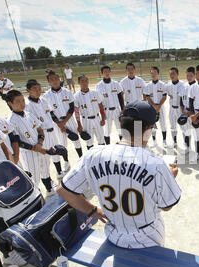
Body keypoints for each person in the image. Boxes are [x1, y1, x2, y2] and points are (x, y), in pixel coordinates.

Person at [57, 101, 181, 249]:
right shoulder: (156, 164)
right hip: (149, 238)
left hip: (113, 235)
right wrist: (169, 177)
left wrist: (93, 211)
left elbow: (63, 190)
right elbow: (166, 206)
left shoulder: (93, 155)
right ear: (148, 128)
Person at [25, 80, 64, 195]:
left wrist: (59, 123)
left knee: (56, 152)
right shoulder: (27, 106)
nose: (38, 91)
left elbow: (51, 114)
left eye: (39, 88)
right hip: (42, 135)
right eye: (34, 89)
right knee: (44, 162)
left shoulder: (44, 100)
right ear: (28, 90)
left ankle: (59, 173)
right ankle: (49, 188)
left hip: (52, 131)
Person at [6, 90, 50, 190]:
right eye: (18, 101)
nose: (22, 104)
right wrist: (36, 148)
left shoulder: (29, 114)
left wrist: (39, 143)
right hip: (28, 153)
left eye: (23, 100)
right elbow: (17, 142)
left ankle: (49, 190)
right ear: (10, 103)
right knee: (34, 178)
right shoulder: (10, 121)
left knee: (45, 170)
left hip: (40, 147)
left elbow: (40, 130)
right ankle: (37, 197)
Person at [43, 71, 83, 161]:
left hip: (69, 119)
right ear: (49, 82)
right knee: (63, 144)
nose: (54, 81)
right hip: (56, 123)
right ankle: (66, 162)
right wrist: (59, 123)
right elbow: (50, 112)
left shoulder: (67, 91)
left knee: (76, 140)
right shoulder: (46, 96)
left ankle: (81, 159)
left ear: (59, 79)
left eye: (56, 78)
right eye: (51, 80)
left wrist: (64, 122)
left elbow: (72, 108)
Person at [74, 75, 106, 149]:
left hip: (97, 119)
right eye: (82, 81)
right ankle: (91, 158)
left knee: (101, 139)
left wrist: (103, 118)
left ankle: (102, 157)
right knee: (89, 141)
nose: (84, 83)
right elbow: (76, 112)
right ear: (79, 82)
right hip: (86, 120)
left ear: (88, 81)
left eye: (86, 81)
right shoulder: (76, 96)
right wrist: (79, 124)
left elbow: (101, 105)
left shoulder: (95, 93)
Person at [96, 65, 125, 145]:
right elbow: (99, 102)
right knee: (107, 130)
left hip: (116, 110)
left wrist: (123, 109)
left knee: (120, 129)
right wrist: (102, 114)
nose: (106, 73)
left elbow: (120, 96)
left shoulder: (116, 83)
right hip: (106, 111)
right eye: (104, 71)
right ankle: (107, 147)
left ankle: (122, 145)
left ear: (110, 72)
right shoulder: (99, 86)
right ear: (102, 73)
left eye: (108, 71)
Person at [144, 66, 168, 148]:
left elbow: (164, 97)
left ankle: (164, 141)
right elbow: (147, 97)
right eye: (152, 73)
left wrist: (159, 106)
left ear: (158, 73)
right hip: (151, 108)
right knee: (153, 125)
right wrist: (154, 106)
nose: (153, 74)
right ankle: (154, 141)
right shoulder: (148, 85)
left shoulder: (163, 84)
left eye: (155, 73)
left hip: (161, 107)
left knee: (163, 124)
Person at [177, 66, 197, 155]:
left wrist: (191, 112)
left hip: (194, 113)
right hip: (185, 111)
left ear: (195, 75)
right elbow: (181, 99)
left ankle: (197, 151)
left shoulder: (197, 86)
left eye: (191, 75)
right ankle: (187, 147)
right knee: (185, 130)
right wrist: (183, 110)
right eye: (187, 75)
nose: (189, 78)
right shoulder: (183, 86)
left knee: (196, 132)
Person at [165, 67, 185, 148]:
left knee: (183, 127)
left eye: (173, 73)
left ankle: (185, 143)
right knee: (173, 127)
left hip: (180, 109)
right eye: (170, 74)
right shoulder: (168, 85)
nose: (171, 75)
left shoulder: (183, 84)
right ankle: (175, 142)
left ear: (178, 74)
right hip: (172, 109)